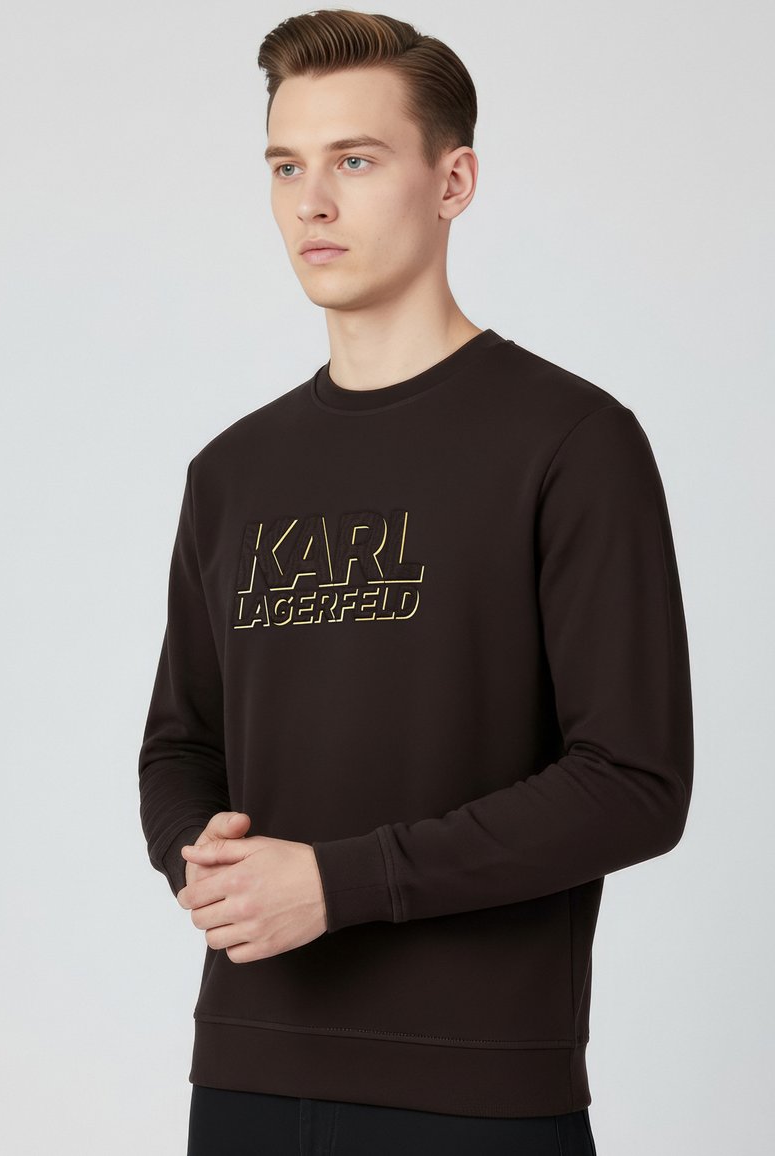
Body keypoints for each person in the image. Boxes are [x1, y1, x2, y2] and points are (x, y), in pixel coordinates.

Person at [138, 10, 693, 1155]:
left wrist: (339, 883)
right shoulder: (231, 471)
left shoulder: (569, 442)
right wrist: (207, 857)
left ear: (452, 182)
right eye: (285, 166)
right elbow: (180, 746)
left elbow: (633, 779)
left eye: (354, 160)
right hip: (246, 1075)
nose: (311, 203)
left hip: (474, 1093)